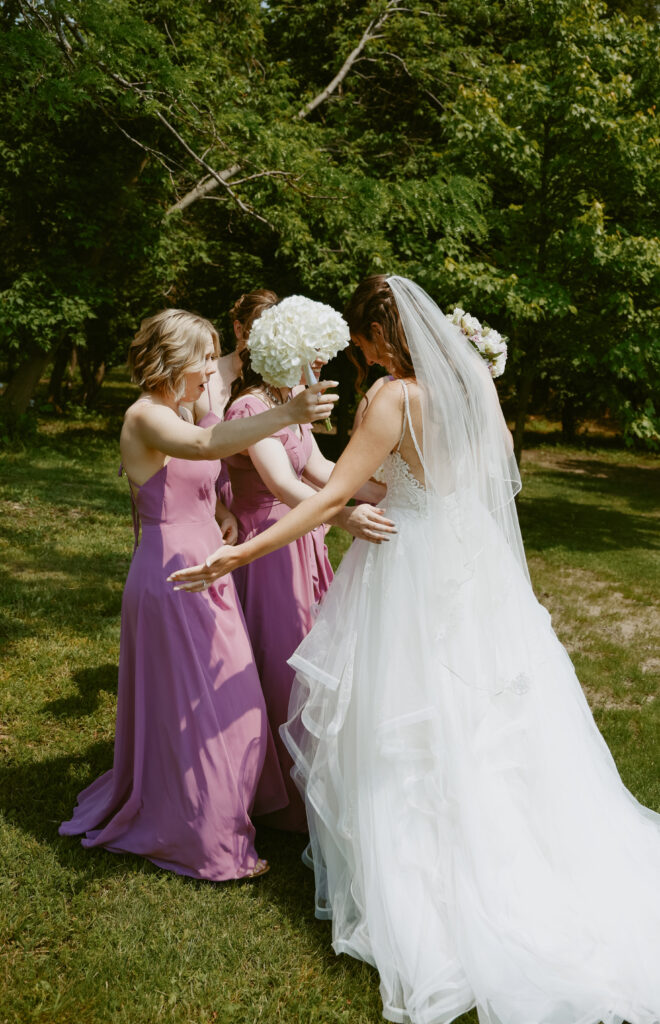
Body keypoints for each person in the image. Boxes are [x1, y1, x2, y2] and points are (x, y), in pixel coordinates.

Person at [171, 276, 660, 1022]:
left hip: (408, 567)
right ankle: (519, 857)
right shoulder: (476, 391)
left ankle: (426, 888)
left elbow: (334, 495)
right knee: (492, 718)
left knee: (403, 722)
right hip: (474, 566)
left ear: (381, 335)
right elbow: (495, 472)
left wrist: (239, 556)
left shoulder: (390, 399)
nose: (359, 354)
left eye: (364, 340)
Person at [59, 308, 338, 882]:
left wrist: (223, 513)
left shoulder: (184, 409)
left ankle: (222, 813)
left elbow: (201, 475)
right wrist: (286, 413)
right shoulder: (144, 417)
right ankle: (206, 841)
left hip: (208, 564)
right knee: (194, 709)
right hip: (170, 576)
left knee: (239, 707)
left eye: (214, 355)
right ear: (174, 359)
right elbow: (210, 443)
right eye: (204, 357)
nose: (212, 368)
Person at [222, 345, 392, 831]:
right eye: (312, 357)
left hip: (302, 539)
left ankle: (309, 781)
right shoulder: (250, 407)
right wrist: (341, 515)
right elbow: (279, 483)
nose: (320, 367)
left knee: (310, 658)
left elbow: (317, 467)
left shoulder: (294, 395)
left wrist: (388, 493)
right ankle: (276, 795)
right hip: (269, 548)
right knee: (281, 663)